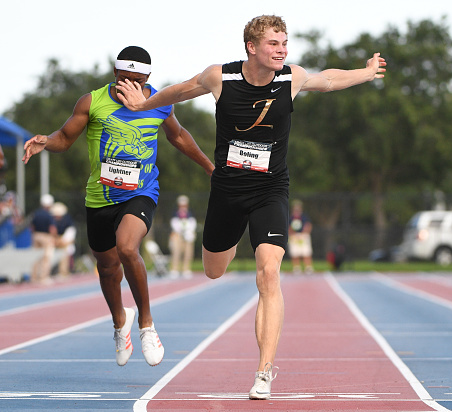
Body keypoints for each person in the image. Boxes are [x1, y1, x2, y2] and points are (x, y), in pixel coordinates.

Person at [116, 15, 386, 399]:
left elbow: (328, 79)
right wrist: (145, 105)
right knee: (213, 271)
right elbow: (178, 92)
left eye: (285, 43)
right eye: (275, 44)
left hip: (270, 189)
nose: (283, 50)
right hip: (227, 190)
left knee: (269, 275)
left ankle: (264, 372)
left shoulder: (289, 78)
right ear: (252, 47)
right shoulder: (219, 77)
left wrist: (366, 71)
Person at [22, 46, 214, 367]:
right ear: (114, 75)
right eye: (125, 79)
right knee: (108, 268)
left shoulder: (159, 102)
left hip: (140, 192)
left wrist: (211, 169)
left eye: (138, 81)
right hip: (100, 196)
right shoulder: (92, 102)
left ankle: (147, 325)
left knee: (127, 248)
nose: (131, 87)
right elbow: (64, 137)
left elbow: (178, 136)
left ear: (148, 79)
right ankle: (119, 323)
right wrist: (45, 141)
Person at [169, 194, 198, 278]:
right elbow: (174, 224)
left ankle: (186, 269)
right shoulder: (175, 213)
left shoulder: (191, 213)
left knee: (188, 252)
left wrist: (188, 231)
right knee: (176, 251)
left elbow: (193, 223)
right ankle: (174, 269)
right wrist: (180, 230)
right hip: (177, 234)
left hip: (188, 235)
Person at [30, 194, 57, 284]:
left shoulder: (36, 213)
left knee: (35, 257)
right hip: (46, 236)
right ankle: (43, 277)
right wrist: (54, 237)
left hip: (36, 235)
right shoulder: (49, 215)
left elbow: (32, 226)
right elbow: (52, 228)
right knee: (46, 258)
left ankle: (34, 277)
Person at [51, 202, 76, 278]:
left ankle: (64, 271)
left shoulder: (68, 224)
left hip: (65, 241)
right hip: (57, 242)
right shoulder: (54, 221)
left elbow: (68, 238)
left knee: (66, 254)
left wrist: (60, 241)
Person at [288, 199, 313, 274]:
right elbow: (288, 227)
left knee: (306, 252)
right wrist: (292, 234)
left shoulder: (304, 217)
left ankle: (308, 267)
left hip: (303, 236)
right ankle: (296, 268)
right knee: (295, 253)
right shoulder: (290, 218)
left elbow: (308, 226)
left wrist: (304, 233)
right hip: (294, 237)